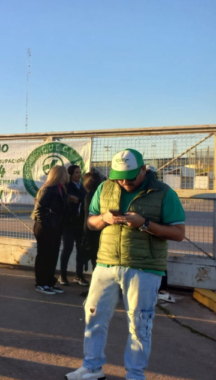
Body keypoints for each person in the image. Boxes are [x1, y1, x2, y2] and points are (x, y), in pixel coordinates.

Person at [66, 149, 186, 380]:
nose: (124, 182)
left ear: (143, 169)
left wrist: (145, 223)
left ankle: (135, 374)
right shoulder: (105, 187)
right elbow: (91, 222)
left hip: (145, 267)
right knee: (93, 315)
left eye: (130, 176)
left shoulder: (163, 193)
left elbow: (179, 233)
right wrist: (104, 219)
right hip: (106, 263)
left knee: (140, 323)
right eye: (119, 176)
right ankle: (91, 367)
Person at [31, 165, 68, 295]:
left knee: (53, 255)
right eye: (65, 174)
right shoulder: (48, 189)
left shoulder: (61, 189)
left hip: (55, 227)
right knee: (44, 255)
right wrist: (47, 224)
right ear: (59, 175)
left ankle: (50, 282)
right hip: (45, 228)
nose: (67, 176)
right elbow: (39, 210)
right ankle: (41, 283)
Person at [60, 165, 88, 286]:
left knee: (81, 250)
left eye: (80, 172)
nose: (79, 174)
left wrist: (79, 200)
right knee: (67, 249)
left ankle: (79, 275)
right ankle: (63, 275)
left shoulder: (82, 187)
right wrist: (70, 200)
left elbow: (85, 200)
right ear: (70, 174)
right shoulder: (66, 187)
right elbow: (63, 201)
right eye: (76, 172)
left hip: (80, 223)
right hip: (69, 223)